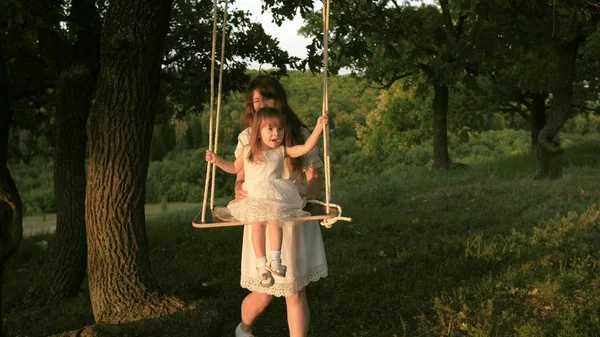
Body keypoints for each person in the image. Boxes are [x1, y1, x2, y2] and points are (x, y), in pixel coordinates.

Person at [233, 75, 329, 337]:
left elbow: (314, 177)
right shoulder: (247, 138)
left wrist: (305, 201)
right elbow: (240, 177)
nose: (260, 104)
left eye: (266, 98)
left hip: (293, 217)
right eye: (255, 101)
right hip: (262, 219)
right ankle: (243, 330)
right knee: (263, 293)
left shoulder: (298, 135)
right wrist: (238, 190)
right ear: (251, 107)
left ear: (279, 100)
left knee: (294, 292)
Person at [205, 107, 328, 289]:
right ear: (258, 132)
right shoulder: (247, 151)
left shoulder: (281, 151)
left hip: (275, 195)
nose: (276, 133)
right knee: (257, 224)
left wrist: (318, 128)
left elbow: (304, 148)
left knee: (274, 220)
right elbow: (233, 167)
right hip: (254, 197)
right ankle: (261, 265)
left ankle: (275, 259)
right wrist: (217, 161)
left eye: (280, 129)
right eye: (269, 129)